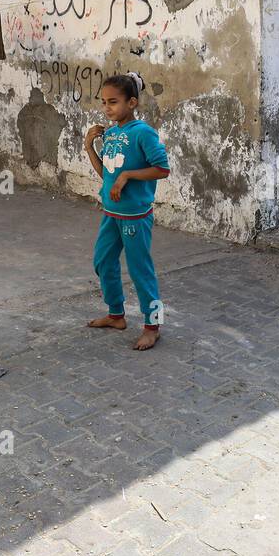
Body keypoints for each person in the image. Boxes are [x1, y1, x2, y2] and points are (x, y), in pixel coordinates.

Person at [84, 72, 170, 351]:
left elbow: (162, 169)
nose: (107, 108)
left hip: (135, 216)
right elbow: (106, 174)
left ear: (131, 102)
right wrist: (89, 147)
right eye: (103, 102)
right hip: (111, 213)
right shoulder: (111, 133)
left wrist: (128, 176)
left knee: (141, 270)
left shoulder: (143, 133)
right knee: (103, 262)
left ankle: (153, 326)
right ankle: (116, 315)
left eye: (113, 102)